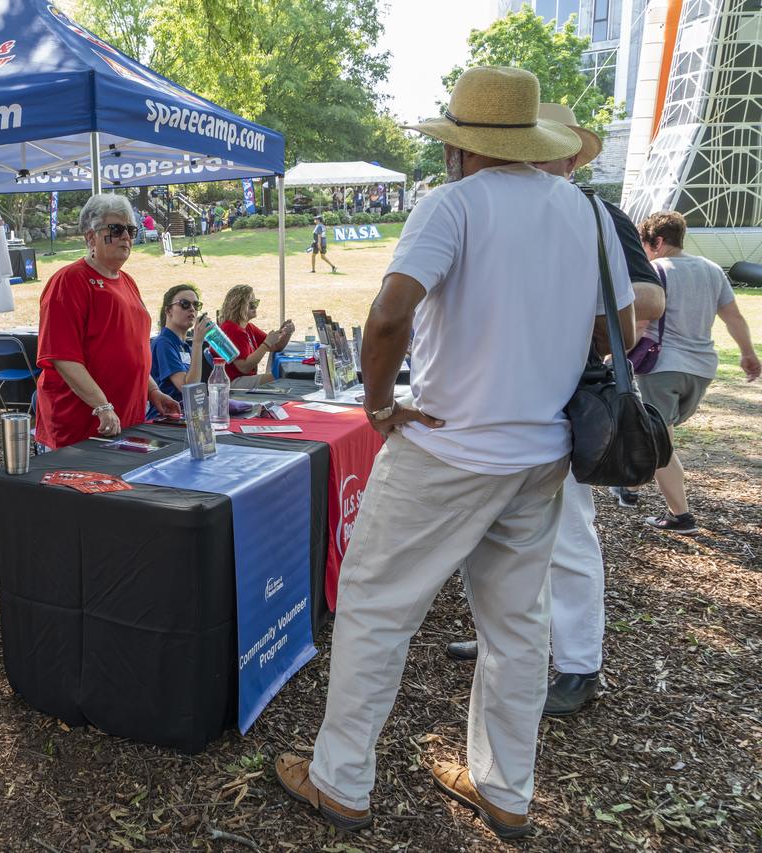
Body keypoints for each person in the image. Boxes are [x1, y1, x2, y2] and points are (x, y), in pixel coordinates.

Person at [274, 67, 635, 840]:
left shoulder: (454, 205)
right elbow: (624, 334)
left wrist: (377, 405)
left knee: (375, 606)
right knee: (518, 626)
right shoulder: (591, 214)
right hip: (542, 451)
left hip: (448, 444)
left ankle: (341, 779)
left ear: (461, 147)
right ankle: (507, 789)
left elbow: (387, 315)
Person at [444, 102, 669, 718]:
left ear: (565, 153)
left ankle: (578, 663)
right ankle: (509, 643)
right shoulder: (502, 208)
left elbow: (646, 296)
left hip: (571, 399)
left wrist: (582, 308)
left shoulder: (593, 213)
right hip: (507, 400)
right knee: (502, 534)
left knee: (568, 537)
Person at [636, 210, 760, 534]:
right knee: (663, 439)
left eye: (645, 244)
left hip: (662, 367)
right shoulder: (712, 269)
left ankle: (680, 515)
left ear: (658, 241)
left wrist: (614, 356)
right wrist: (748, 353)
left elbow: (640, 322)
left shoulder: (654, 270)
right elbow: (733, 317)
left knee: (660, 444)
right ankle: (634, 487)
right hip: (701, 370)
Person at [35, 194, 181, 449]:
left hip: (126, 423)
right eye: (116, 229)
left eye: (130, 230)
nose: (126, 236)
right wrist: (101, 405)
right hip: (80, 429)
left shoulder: (127, 281)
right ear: (91, 236)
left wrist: (153, 391)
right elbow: (63, 358)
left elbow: (133, 348)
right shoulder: (68, 282)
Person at [149, 285, 213, 417]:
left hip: (185, 416)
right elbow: (188, 389)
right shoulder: (164, 343)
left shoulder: (183, 345)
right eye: (184, 304)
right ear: (168, 311)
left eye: (196, 305)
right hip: (165, 419)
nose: (192, 309)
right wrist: (197, 343)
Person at [217, 285, 293, 389]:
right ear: (239, 307)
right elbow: (244, 367)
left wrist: (287, 333)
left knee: (283, 376)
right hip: (232, 383)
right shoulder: (232, 330)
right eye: (251, 305)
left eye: (256, 303)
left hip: (242, 378)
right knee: (281, 379)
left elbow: (276, 346)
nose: (256, 307)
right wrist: (266, 344)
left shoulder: (247, 327)